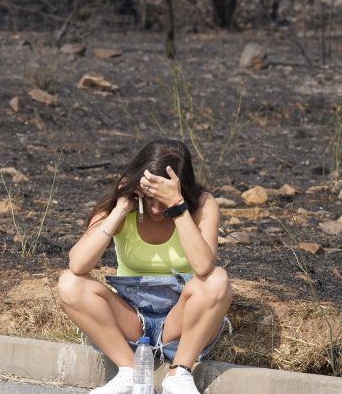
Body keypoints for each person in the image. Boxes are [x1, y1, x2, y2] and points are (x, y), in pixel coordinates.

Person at [57, 139, 233, 394]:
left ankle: (179, 374)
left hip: (181, 322)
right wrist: (120, 209)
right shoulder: (122, 206)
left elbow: (204, 267)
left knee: (217, 279)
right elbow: (78, 263)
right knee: (69, 283)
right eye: (150, 198)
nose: (156, 209)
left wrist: (178, 208)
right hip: (131, 319)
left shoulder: (202, 205)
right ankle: (130, 372)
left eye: (163, 199)